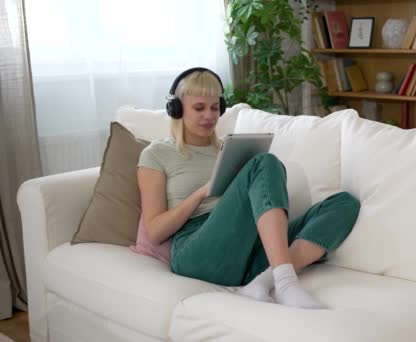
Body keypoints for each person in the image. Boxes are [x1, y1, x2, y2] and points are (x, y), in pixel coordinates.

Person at [137, 67, 360, 309]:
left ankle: (262, 282)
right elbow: (156, 231)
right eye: (199, 108)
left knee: (344, 203)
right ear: (177, 109)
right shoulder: (157, 154)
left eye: (215, 107)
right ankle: (285, 283)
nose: (209, 116)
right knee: (265, 162)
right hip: (196, 251)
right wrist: (203, 191)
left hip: (245, 250)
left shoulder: (229, 150)